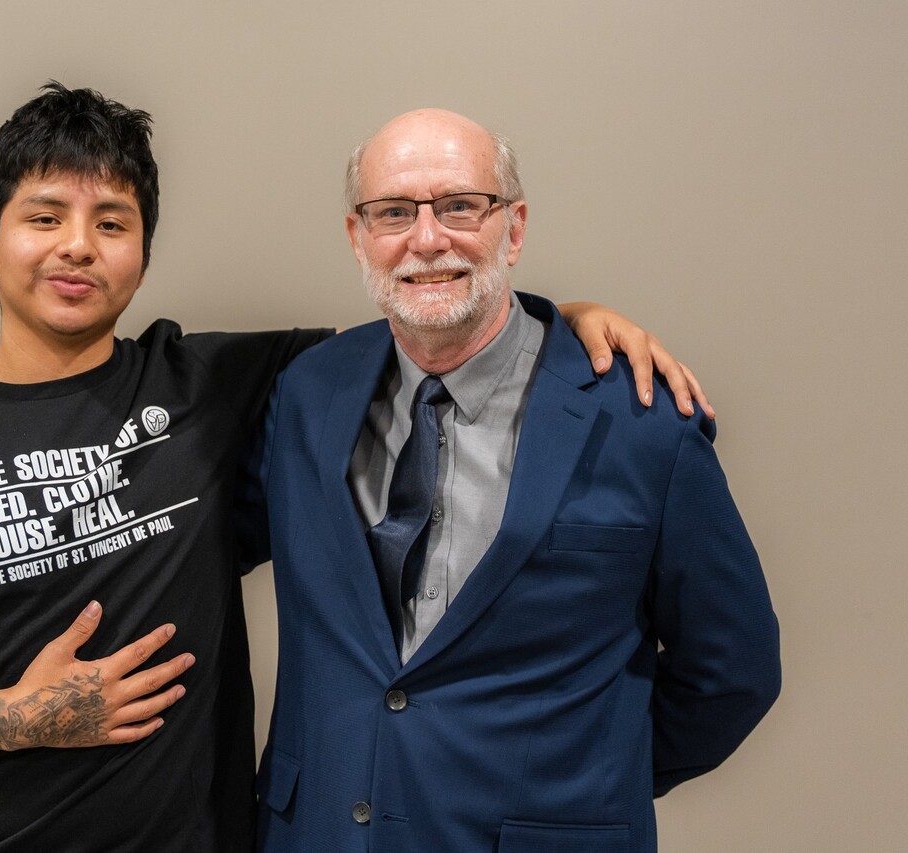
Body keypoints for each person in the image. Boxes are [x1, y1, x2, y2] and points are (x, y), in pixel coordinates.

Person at [0, 83, 712, 853]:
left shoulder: (220, 387)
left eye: (112, 222)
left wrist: (570, 319)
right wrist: (16, 716)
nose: (78, 245)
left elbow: (437, 313)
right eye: (44, 217)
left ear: (143, 255)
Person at [251, 109, 781, 853]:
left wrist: (591, 773)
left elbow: (733, 672)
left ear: (515, 227)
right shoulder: (306, 393)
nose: (426, 238)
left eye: (460, 206)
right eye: (393, 212)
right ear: (357, 236)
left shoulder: (643, 421)